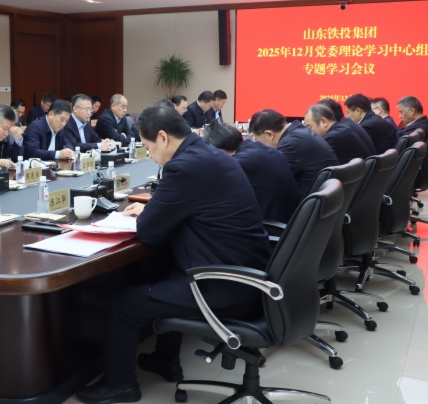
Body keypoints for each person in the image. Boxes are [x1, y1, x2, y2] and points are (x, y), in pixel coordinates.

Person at [76, 103, 271, 404]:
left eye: (149, 146)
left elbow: (148, 232)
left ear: (164, 138)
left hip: (224, 284)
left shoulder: (183, 167)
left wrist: (150, 212)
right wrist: (156, 207)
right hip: (246, 274)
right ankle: (166, 361)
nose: (151, 155)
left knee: (120, 306)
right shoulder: (210, 154)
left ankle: (120, 386)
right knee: (167, 274)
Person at [205, 120, 301, 224]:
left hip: (272, 227)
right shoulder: (266, 149)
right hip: (292, 221)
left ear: (220, 150)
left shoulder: (236, 163)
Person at [250, 109, 338, 197]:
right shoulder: (300, 133)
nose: (259, 146)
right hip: (326, 198)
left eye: (258, 141)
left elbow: (269, 180)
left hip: (313, 200)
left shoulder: (290, 143)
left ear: (269, 134)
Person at [304, 103, 373, 165]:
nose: (309, 132)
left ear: (324, 122)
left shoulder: (331, 138)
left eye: (309, 127)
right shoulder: (342, 128)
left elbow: (311, 160)